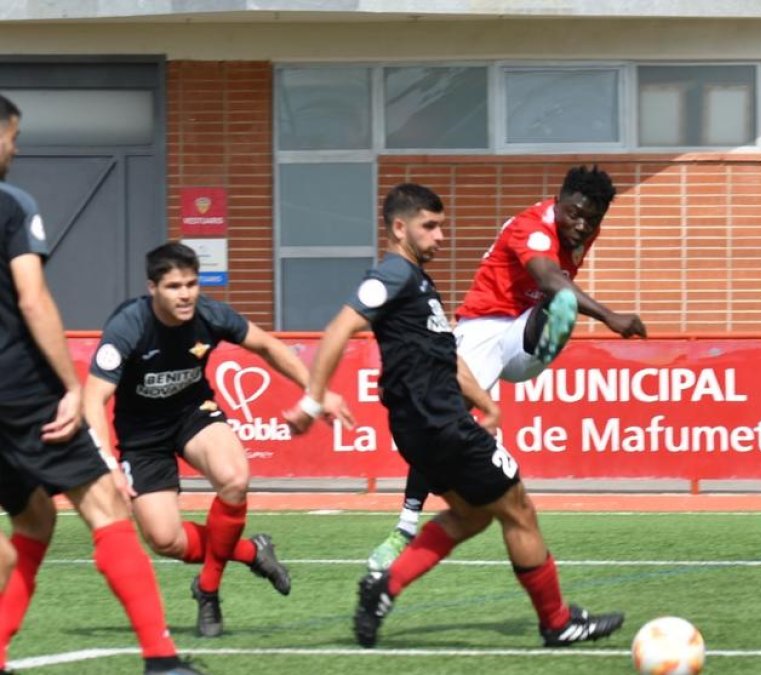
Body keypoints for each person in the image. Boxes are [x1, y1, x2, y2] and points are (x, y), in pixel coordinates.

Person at [285, 182, 625, 648]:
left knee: (471, 516)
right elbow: (340, 326)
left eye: (441, 226)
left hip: (424, 427)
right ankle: (557, 623)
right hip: (440, 421)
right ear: (399, 228)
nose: (440, 236)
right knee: (519, 511)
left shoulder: (418, 284)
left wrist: (486, 403)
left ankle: (384, 587)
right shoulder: (392, 275)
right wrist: (312, 398)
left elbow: (443, 355)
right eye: (430, 226)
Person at [0, 94, 202, 675]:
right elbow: (33, 299)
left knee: (32, 520)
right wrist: (70, 386)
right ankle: (161, 659)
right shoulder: (12, 205)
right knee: (107, 505)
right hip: (18, 388)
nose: (16, 148)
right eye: (13, 137)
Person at [366, 165, 647, 571]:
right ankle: (405, 525)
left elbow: (555, 285)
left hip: (521, 335)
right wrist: (609, 316)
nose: (582, 225)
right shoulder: (530, 227)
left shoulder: (583, 227)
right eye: (575, 214)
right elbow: (549, 278)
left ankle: (546, 340)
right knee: (444, 422)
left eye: (592, 219)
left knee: (560, 302)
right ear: (558, 202)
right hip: (483, 326)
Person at [82, 242, 354, 638]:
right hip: (142, 437)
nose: (186, 294)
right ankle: (251, 551)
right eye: (174, 286)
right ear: (153, 288)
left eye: (191, 283)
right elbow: (94, 398)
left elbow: (267, 345)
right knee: (164, 540)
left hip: (193, 415)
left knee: (234, 478)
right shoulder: (128, 326)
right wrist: (107, 466)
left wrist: (317, 393)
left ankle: (208, 590)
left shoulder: (210, 314)